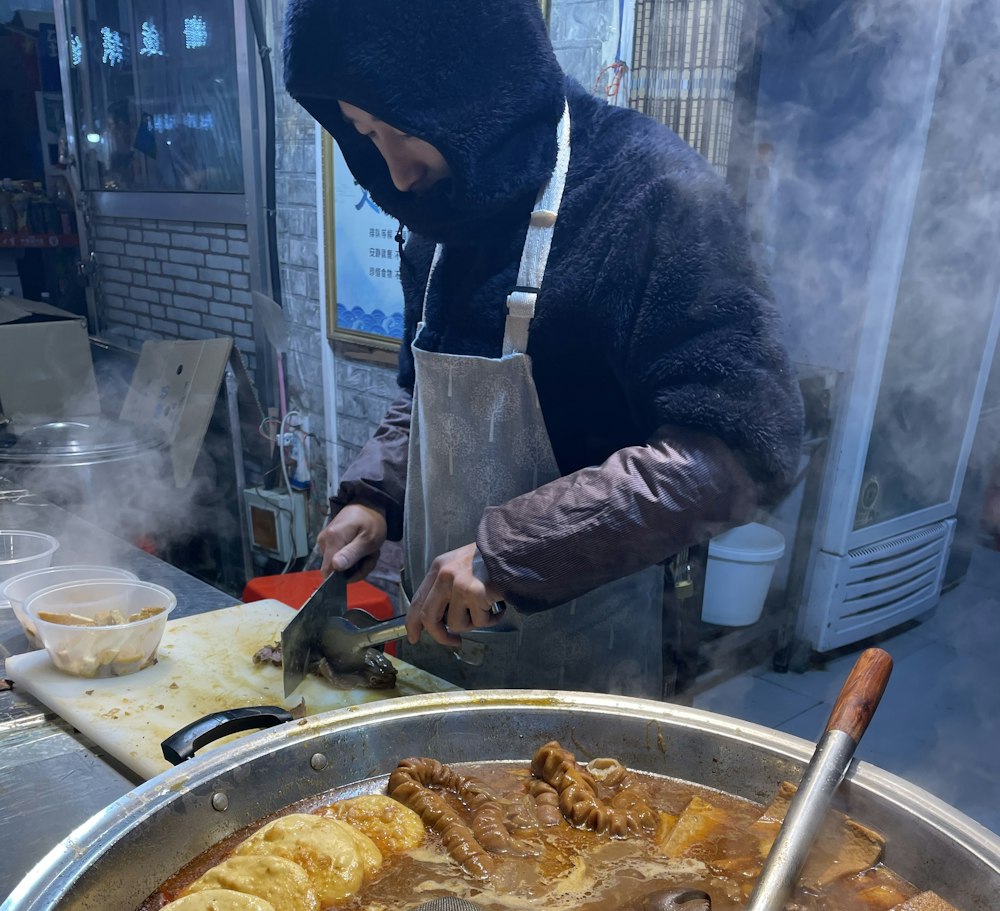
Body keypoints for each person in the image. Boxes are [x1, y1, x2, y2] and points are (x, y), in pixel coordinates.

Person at [284, 0, 803, 697]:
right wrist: (375, 494)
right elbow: (424, 401)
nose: (397, 173)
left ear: (472, 89)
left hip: (600, 661)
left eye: (404, 131)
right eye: (365, 134)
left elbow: (739, 452)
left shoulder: (651, 194)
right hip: (439, 647)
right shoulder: (437, 211)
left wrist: (512, 554)